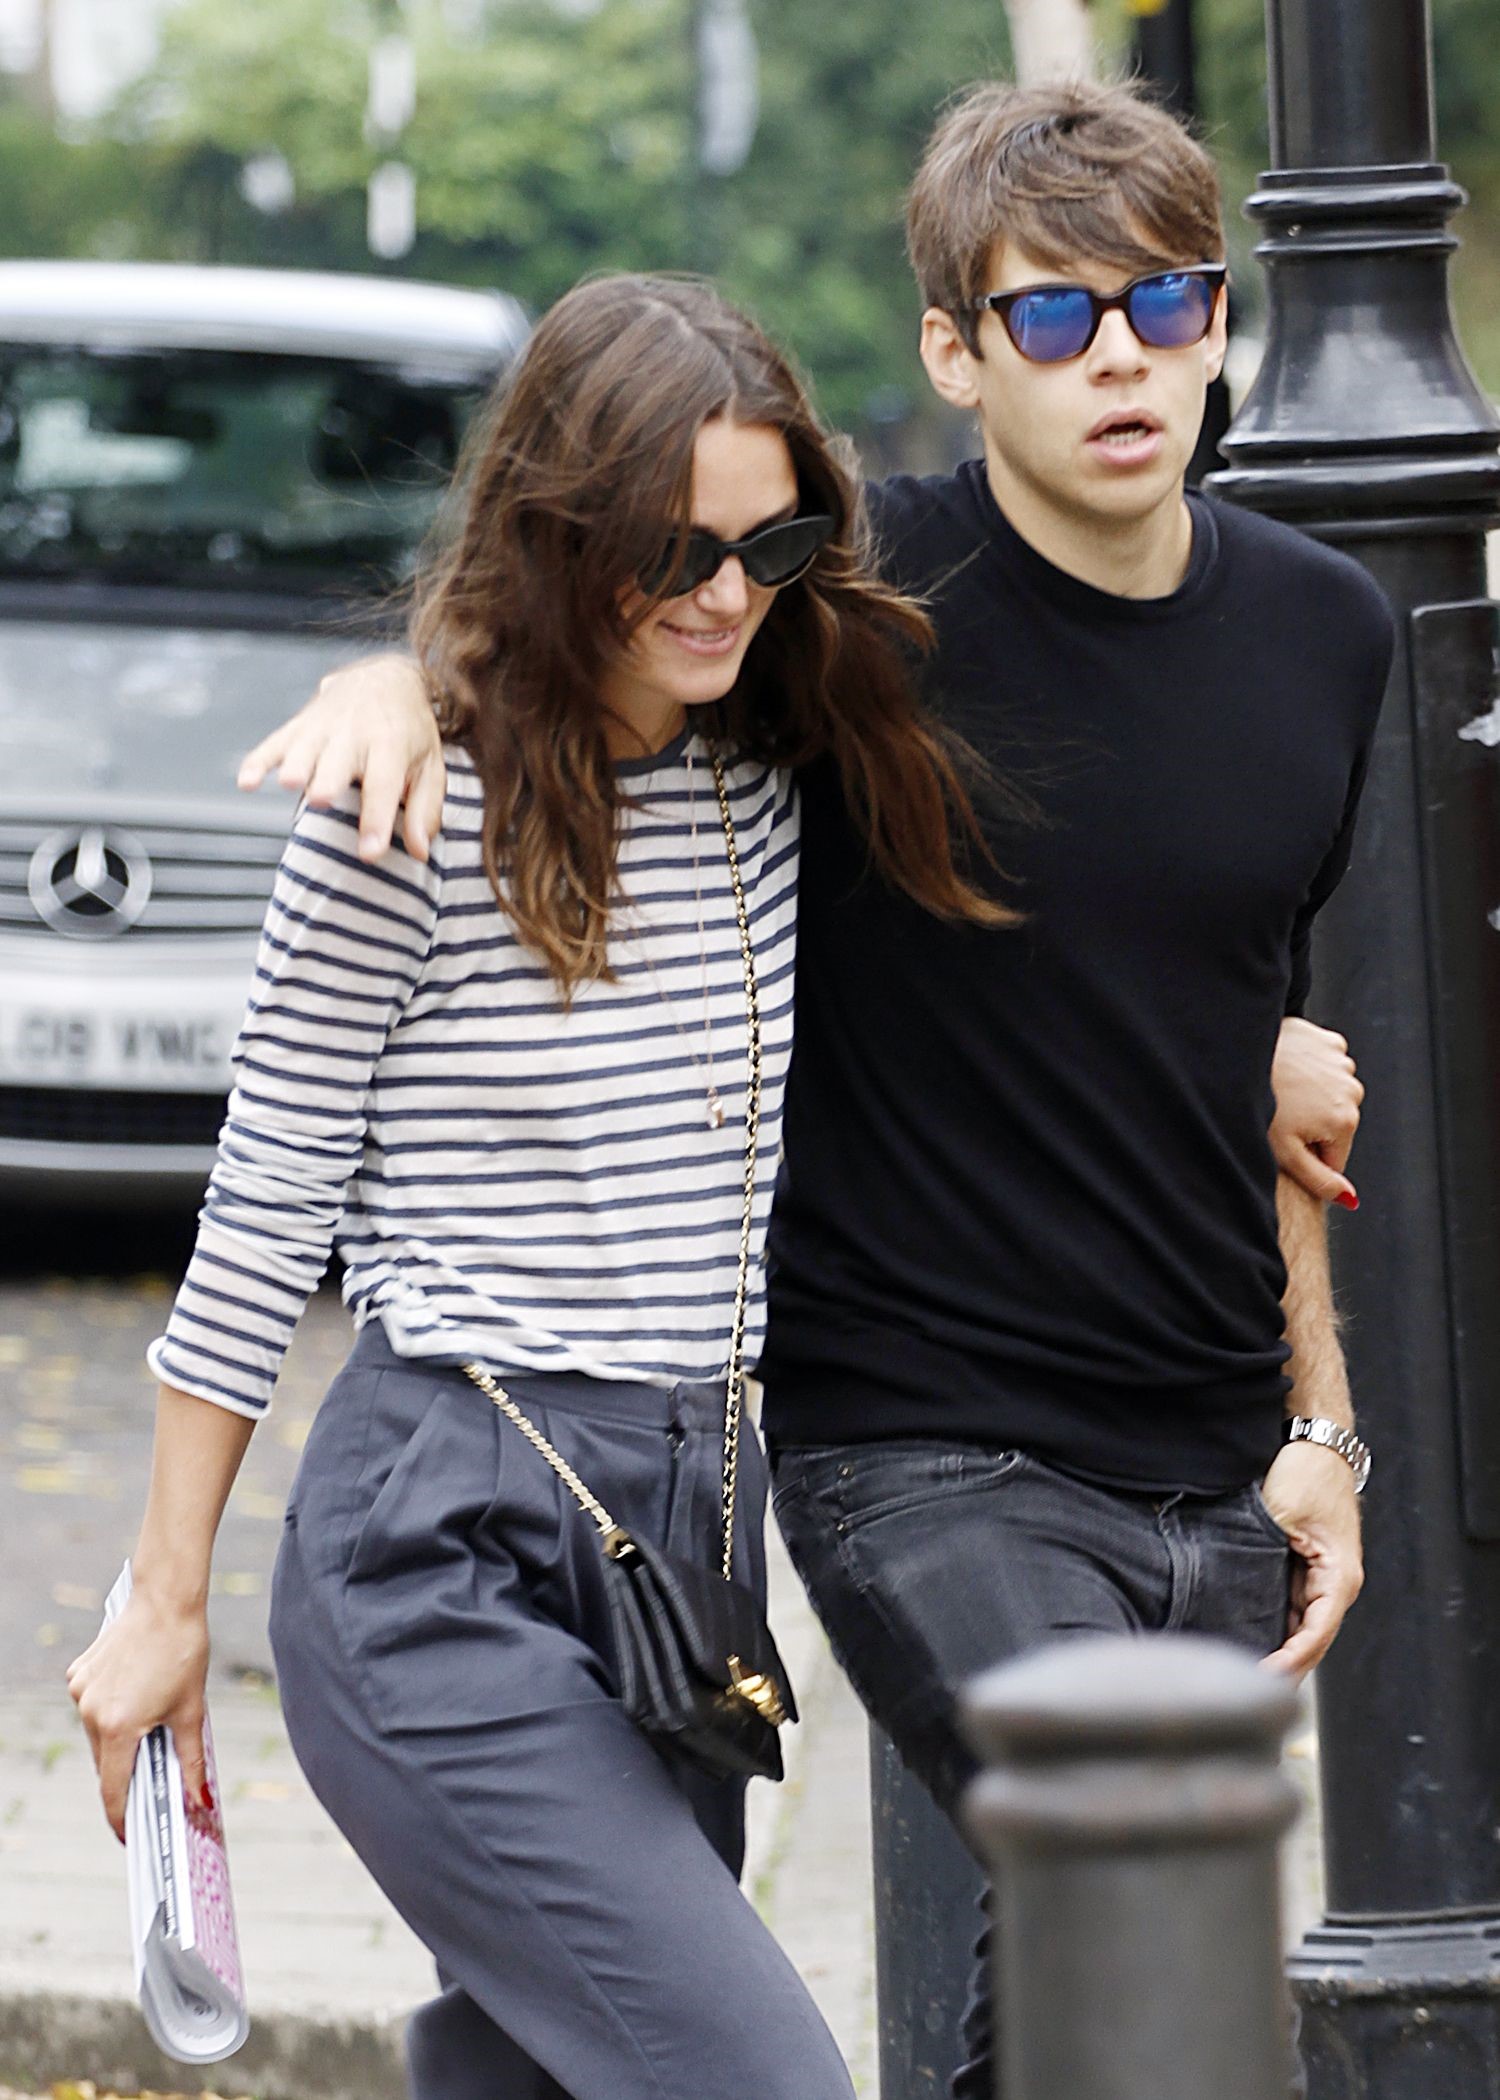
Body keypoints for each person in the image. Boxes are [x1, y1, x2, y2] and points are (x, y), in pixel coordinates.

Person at [232, 81, 1388, 2099]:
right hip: (916, 1453)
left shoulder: (1331, 633)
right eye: (1056, 316)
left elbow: (1274, 1076)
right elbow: (595, 599)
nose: (1124, 354)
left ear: (1224, 318)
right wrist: (392, 680)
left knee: (1088, 2033)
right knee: (1154, 1933)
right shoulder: (852, 611)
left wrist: (1322, 1426)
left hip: (1203, 1467)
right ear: (954, 352)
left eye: (1172, 302)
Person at [66, 272, 1019, 2100]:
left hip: (684, 1538)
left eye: (771, 541)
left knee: (533, 2072)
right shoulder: (407, 806)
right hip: (442, 1540)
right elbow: (262, 1211)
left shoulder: (779, 761)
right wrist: (163, 1591)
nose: (729, 592)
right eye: (674, 551)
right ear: (567, 533)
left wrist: (1265, 1041)